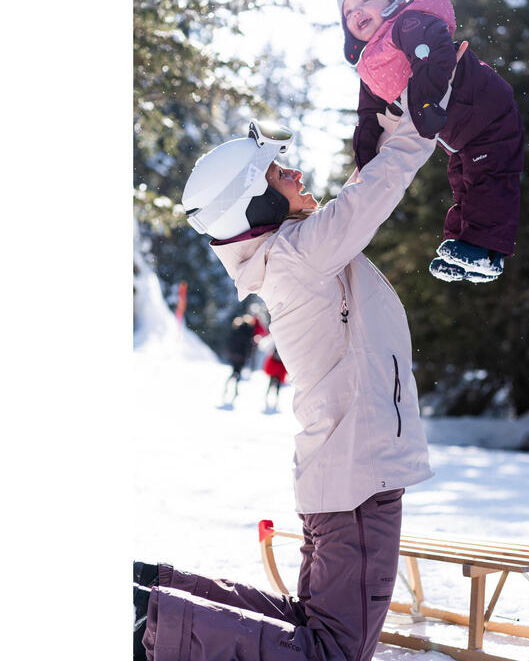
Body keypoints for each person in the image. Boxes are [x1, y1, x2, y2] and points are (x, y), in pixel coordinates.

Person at [136, 85, 459, 659]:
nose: (297, 172)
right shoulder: (299, 256)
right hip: (359, 473)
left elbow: (359, 194)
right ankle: (144, 622)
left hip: (347, 471)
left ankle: (147, 601)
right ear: (254, 200)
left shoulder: (288, 256)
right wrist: (417, 128)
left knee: (310, 626)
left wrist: (388, 122)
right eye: (280, 171)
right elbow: (373, 194)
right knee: (333, 649)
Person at [338, 0, 525, 284]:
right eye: (348, 10)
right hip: (459, 134)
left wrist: (424, 104)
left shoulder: (409, 25)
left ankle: (487, 253)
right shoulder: (372, 65)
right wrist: (367, 160)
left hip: (487, 111)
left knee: (489, 176)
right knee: (463, 182)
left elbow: (434, 56)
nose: (356, 11)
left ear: (392, 1)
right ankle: (462, 248)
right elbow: (369, 117)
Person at [222, 311, 268, 404]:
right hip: (242, 355)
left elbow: (230, 341)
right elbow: (248, 345)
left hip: (234, 354)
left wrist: (230, 352)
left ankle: (229, 388)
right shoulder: (248, 331)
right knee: (237, 372)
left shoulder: (236, 328)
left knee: (234, 371)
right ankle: (234, 390)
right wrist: (248, 355)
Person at [263, 347, 286, 412]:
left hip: (274, 372)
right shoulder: (281, 353)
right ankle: (275, 398)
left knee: (271, 386)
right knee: (276, 387)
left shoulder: (275, 352)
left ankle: (270, 397)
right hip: (277, 372)